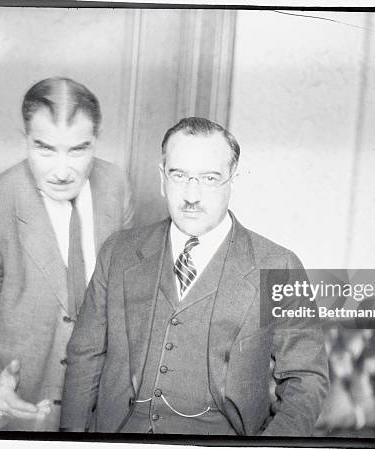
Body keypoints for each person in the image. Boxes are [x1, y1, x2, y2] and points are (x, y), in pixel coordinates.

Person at [61, 117, 329, 436]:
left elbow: (307, 380)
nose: (191, 195)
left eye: (209, 178)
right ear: (162, 178)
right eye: (179, 175)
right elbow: (85, 357)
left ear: (234, 180)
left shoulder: (279, 266)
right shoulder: (118, 252)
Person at [0, 77, 134, 431]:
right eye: (45, 149)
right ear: (25, 139)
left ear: (97, 139)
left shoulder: (116, 188)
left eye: (78, 150)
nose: (62, 171)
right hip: (19, 426)